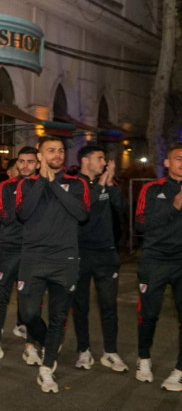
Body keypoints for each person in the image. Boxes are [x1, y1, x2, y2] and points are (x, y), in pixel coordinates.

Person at [15, 136, 89, 393]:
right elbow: (23, 213)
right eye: (51, 151)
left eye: (60, 150)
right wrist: (42, 182)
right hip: (33, 259)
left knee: (58, 317)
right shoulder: (26, 184)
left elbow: (81, 214)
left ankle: (46, 368)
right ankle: (48, 342)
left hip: (65, 260)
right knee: (28, 313)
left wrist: (53, 183)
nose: (57, 154)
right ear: (39, 155)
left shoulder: (77, 183)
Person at [0, 146, 40, 364]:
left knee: (31, 299)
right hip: (7, 250)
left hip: (33, 251)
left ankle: (31, 346)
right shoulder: (4, 187)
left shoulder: (44, 186)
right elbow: (2, 217)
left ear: (38, 163)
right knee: (0, 296)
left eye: (30, 161)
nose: (25, 165)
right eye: (21, 162)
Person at [71, 146, 128, 372]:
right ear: (85, 160)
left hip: (106, 254)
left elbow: (122, 207)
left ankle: (110, 352)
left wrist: (110, 184)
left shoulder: (107, 183)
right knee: (81, 305)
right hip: (80, 253)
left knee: (108, 305)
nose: (105, 162)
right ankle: (83, 350)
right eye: (100, 158)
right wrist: (102, 185)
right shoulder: (74, 183)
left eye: (104, 158)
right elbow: (83, 207)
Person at [134, 142, 182, 390]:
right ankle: (144, 359)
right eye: (178, 158)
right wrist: (173, 206)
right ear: (167, 162)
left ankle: (180, 371)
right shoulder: (152, 189)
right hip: (155, 261)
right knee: (149, 315)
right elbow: (141, 223)